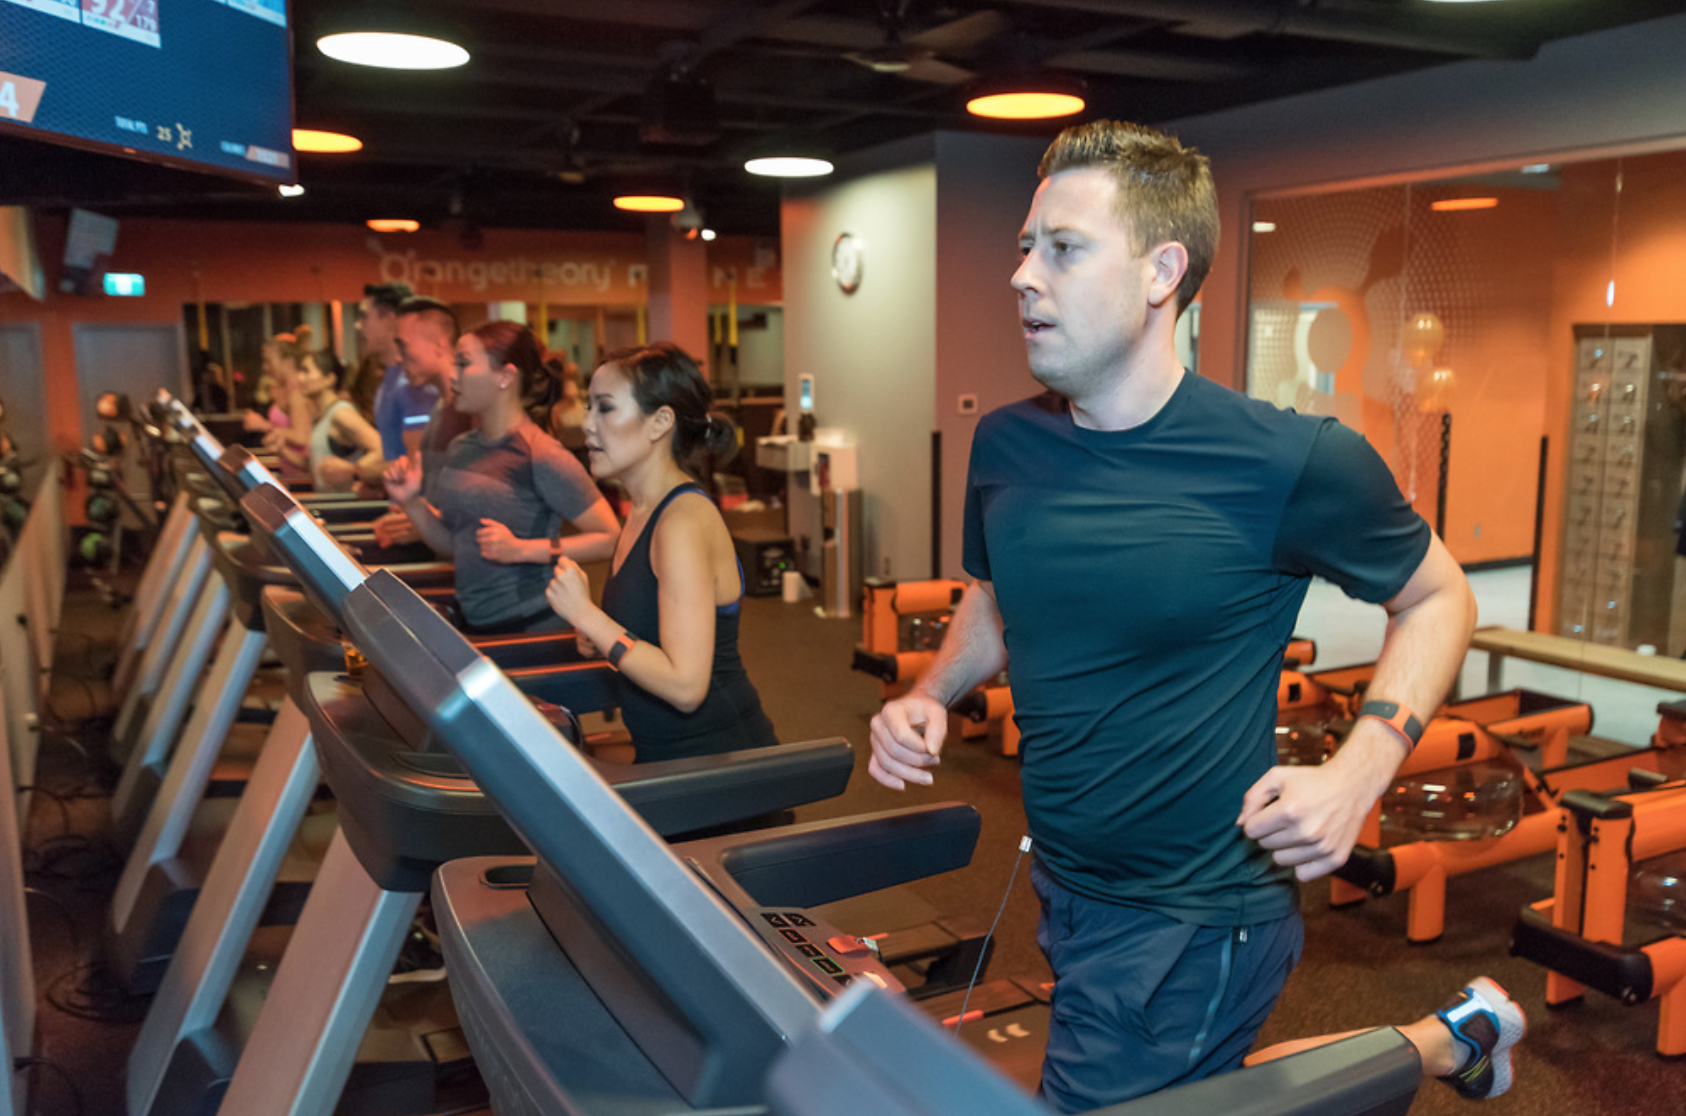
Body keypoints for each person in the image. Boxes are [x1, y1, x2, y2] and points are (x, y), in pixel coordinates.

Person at [866, 120, 1513, 1111]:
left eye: (1064, 249)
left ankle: (1437, 1046)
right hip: (1068, 876)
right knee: (1187, 1094)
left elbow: (1439, 594)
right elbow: (999, 601)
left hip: (1200, 908)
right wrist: (934, 692)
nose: (1023, 276)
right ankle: (1445, 1041)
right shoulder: (1005, 446)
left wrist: (1362, 768)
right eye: (1025, 247)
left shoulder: (1290, 461)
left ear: (1162, 270)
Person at [543, 342, 780, 762]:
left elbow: (686, 688)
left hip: (721, 768)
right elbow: (653, 634)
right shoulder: (642, 512)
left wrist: (587, 616)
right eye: (589, 407)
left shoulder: (681, 522)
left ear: (660, 422)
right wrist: (600, 636)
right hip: (664, 752)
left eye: (605, 408)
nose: (587, 424)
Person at [383, 321, 619, 634]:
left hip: (530, 630)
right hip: (475, 625)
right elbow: (456, 544)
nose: (453, 374)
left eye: (464, 363)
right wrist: (411, 503)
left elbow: (609, 537)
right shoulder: (461, 448)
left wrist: (522, 549)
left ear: (505, 377)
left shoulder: (541, 454)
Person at [371, 297, 475, 548]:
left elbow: (486, 509)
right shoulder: (441, 406)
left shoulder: (472, 409)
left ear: (439, 344)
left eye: (403, 346)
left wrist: (425, 525)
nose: (397, 358)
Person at [356, 281, 435, 456]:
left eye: (364, 317)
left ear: (390, 319)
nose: (358, 326)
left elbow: (416, 461)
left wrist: (356, 471)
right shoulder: (389, 381)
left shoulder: (413, 383)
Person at [296, 347, 385, 493]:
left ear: (329, 379)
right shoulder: (321, 416)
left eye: (306, 371)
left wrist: (353, 470)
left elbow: (381, 450)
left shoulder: (340, 413)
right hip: (328, 506)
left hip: (345, 510)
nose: (300, 378)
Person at [244, 327, 312, 476]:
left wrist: (263, 425)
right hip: (290, 472)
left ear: (287, 361)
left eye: (269, 361)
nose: (265, 367)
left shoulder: (296, 388)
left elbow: (302, 436)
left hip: (300, 478)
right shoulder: (286, 388)